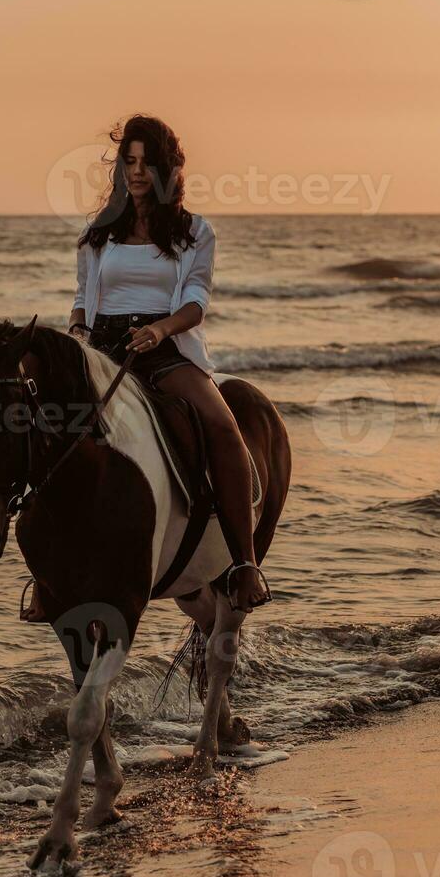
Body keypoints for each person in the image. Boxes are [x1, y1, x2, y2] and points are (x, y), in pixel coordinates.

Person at [67, 114, 272, 612]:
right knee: (52, 427)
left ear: (167, 170)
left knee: (224, 429)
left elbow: (196, 304)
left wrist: (160, 329)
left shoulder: (194, 233)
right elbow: (82, 297)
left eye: (146, 163)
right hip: (104, 348)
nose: (137, 173)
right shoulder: (99, 234)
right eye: (129, 162)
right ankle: (55, 573)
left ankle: (244, 564)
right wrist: (76, 331)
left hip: (164, 351)